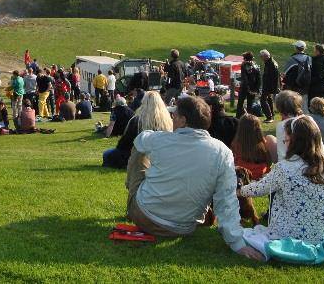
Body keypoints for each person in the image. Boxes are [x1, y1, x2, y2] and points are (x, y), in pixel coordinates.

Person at [125, 96, 260, 260]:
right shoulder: (222, 152)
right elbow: (226, 200)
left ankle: (134, 201)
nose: (171, 118)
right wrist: (237, 243)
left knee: (139, 151)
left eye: (174, 116)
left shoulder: (159, 140)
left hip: (146, 216)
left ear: (182, 120)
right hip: (185, 226)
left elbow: (139, 140)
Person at [239, 116, 324, 250]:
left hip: (290, 238)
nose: (285, 144)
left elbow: (258, 189)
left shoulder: (284, 168)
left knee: (246, 234)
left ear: (293, 142)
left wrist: (238, 191)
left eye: (286, 140)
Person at [102, 91, 172, 169]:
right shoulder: (167, 122)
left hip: (136, 157)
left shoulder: (136, 121)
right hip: (159, 157)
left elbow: (124, 144)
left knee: (106, 154)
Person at [231, 114, 275, 180]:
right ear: (258, 129)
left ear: (240, 128)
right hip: (261, 179)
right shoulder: (264, 144)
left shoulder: (235, 145)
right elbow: (269, 163)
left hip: (244, 179)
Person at [274, 90, 304, 161]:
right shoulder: (309, 119)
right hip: (309, 160)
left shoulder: (281, 126)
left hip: (289, 162)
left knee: (270, 139)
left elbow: (282, 152)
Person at [282, 41, 311, 110]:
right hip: (306, 86)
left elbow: (284, 73)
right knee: (304, 107)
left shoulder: (292, 59)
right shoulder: (309, 59)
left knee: (294, 106)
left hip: (294, 87)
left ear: (296, 48)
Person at [236, 52, 260, 117]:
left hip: (245, 87)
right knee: (250, 104)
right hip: (253, 87)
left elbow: (245, 78)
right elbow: (258, 78)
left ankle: (238, 116)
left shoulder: (244, 65)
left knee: (240, 103)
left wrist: (247, 88)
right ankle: (250, 118)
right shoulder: (256, 65)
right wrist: (256, 89)